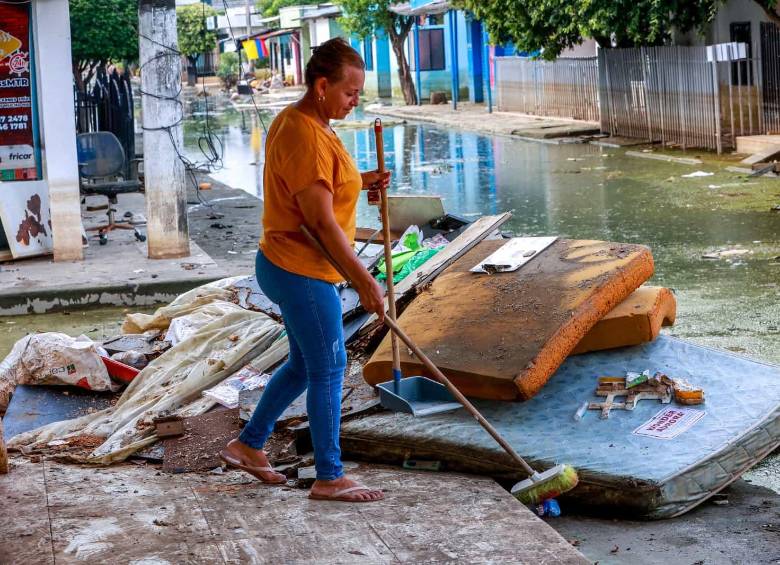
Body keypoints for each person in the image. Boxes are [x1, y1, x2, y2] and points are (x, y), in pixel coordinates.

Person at [220, 38, 389, 503]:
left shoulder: (308, 122)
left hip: (288, 263)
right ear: (321, 85)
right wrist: (365, 281)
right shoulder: (304, 133)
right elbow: (319, 221)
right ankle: (329, 475)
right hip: (302, 269)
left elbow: (322, 189)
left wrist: (361, 181)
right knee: (330, 368)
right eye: (350, 93)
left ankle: (249, 445)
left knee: (302, 365)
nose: (355, 102)